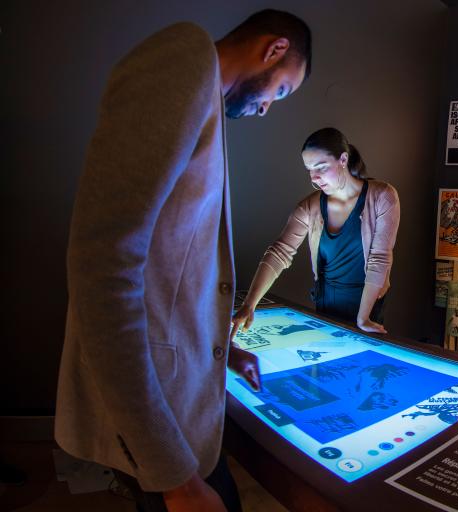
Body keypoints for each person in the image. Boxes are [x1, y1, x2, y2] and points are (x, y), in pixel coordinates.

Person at [55, 10, 312, 512]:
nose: (267, 108)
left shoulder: (204, 95)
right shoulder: (184, 56)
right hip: (151, 410)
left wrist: (222, 350)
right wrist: (175, 478)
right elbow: (103, 268)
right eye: (280, 90)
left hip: (168, 397)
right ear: (274, 49)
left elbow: (167, 266)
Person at [231, 127, 400, 339]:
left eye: (321, 167)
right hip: (326, 303)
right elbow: (279, 253)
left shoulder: (383, 196)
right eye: (309, 169)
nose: (315, 177)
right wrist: (249, 304)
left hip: (368, 305)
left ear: (343, 159)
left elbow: (380, 258)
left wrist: (363, 318)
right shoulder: (309, 207)